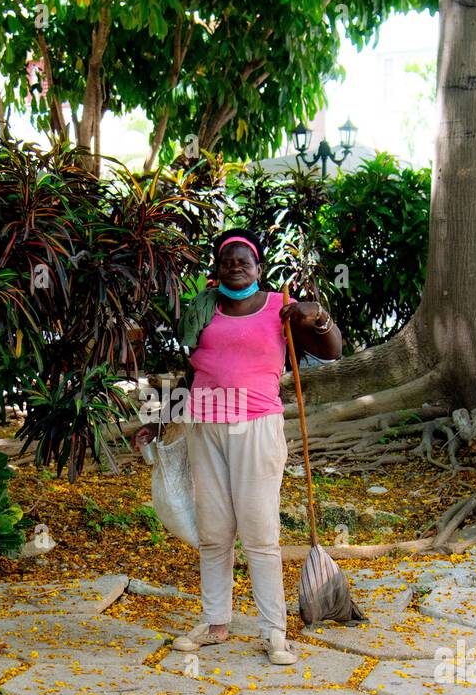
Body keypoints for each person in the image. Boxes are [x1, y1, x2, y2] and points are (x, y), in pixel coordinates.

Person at [134, 229, 343, 664]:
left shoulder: (279, 308)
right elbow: (192, 375)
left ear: (258, 267)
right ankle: (215, 623)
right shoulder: (202, 310)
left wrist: (317, 316)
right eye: (227, 259)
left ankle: (274, 632)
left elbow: (332, 351)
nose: (235, 265)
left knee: (259, 530)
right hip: (204, 423)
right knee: (214, 531)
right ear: (217, 268)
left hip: (257, 426)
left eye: (243, 259)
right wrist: (159, 420)